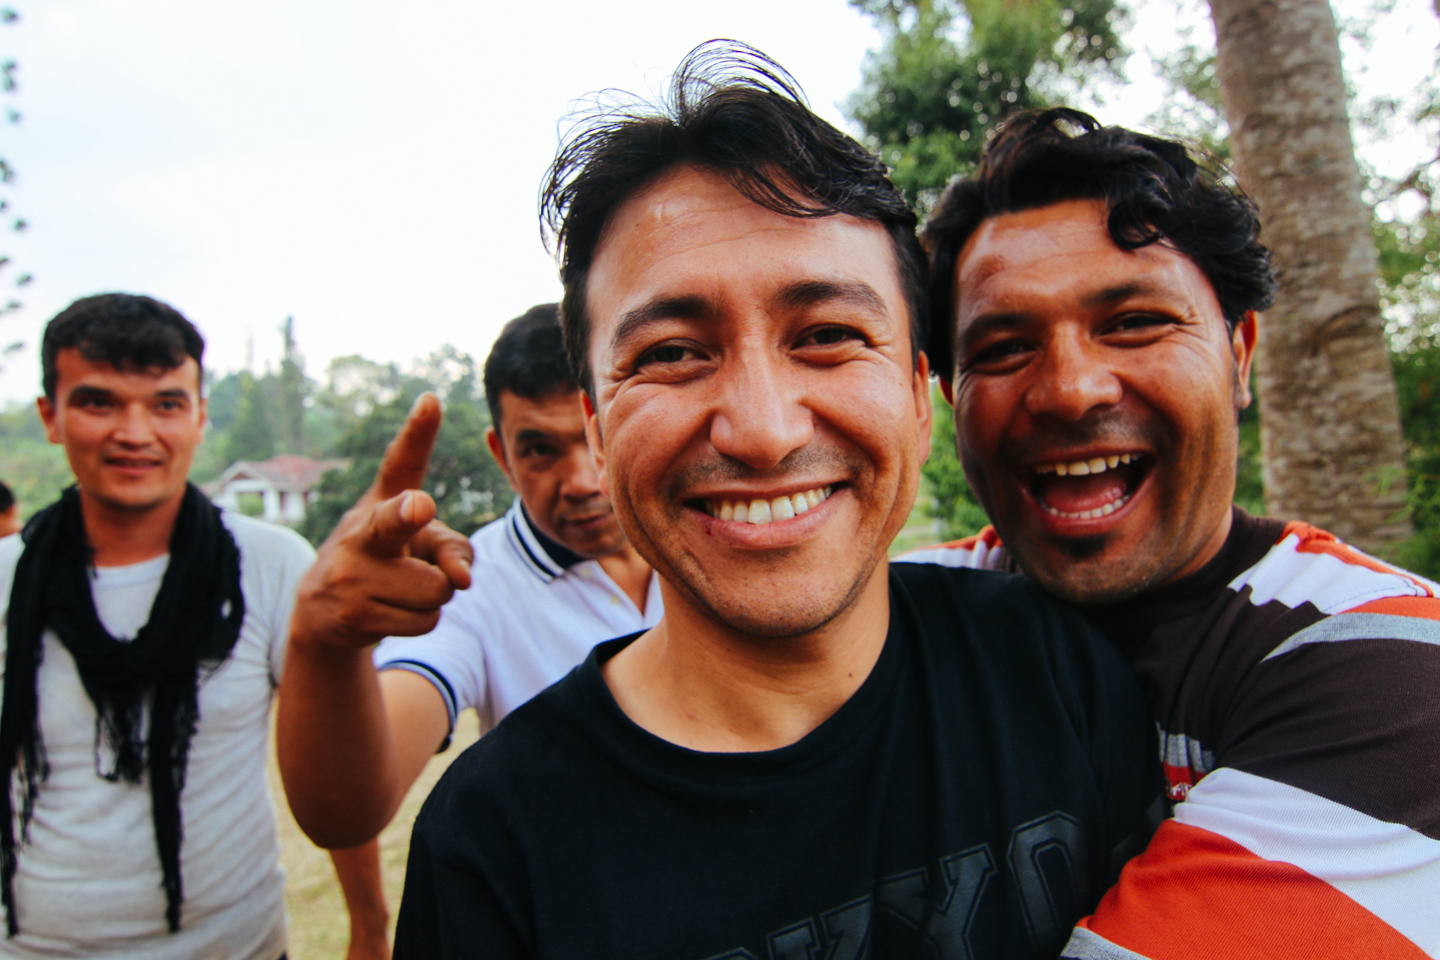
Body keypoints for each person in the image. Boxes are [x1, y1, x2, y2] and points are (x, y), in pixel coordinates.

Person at [278, 43, 1162, 959]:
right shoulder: (493, 846)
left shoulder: (1057, 667)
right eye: (671, 352)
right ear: (600, 426)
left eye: (827, 334)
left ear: (915, 394)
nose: (764, 431)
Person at [911, 108, 1440, 958]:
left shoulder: (1397, 662)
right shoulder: (896, 622)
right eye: (1003, 348)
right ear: (948, 400)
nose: (1070, 389)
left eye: (1134, 322)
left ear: (1240, 353)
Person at [321, 303, 659, 955]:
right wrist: (327, 646)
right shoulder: (469, 587)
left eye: (596, 434)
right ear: (501, 454)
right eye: (540, 449)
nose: (582, 480)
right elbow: (355, 796)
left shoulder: (710, 536)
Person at [0, 294, 315, 959]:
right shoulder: (8, 577)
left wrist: (370, 927)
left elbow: (334, 769)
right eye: (99, 403)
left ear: (200, 415)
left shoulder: (272, 565)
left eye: (166, 404)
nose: (135, 432)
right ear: (50, 418)